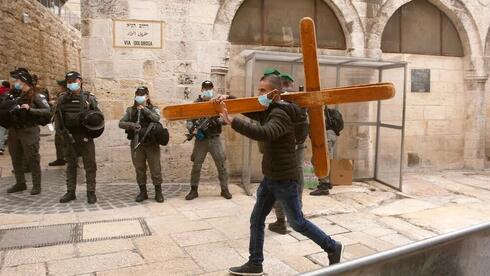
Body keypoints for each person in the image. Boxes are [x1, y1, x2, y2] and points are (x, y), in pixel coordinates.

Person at [218, 75, 343, 275]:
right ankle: (255, 263)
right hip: (271, 177)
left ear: (274, 93)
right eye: (258, 90)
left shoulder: (281, 114)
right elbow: (253, 112)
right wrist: (231, 99)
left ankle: (332, 246)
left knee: (297, 222)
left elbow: (265, 133)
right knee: (257, 219)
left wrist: (233, 122)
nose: (258, 94)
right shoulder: (271, 109)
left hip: (284, 179)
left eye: (261, 90)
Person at [268, 72, 308, 235]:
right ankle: (297, 215)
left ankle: (281, 221)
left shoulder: (278, 103)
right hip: (298, 147)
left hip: (283, 150)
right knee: (297, 180)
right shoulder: (298, 101)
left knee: (278, 183)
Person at [56, 71, 101, 204]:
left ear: (80, 81)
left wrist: (92, 132)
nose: (71, 84)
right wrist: (63, 136)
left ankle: (91, 193)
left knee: (90, 165)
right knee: (71, 165)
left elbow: (99, 117)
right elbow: (58, 120)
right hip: (70, 137)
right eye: (69, 82)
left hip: (85, 137)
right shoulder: (62, 99)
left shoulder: (89, 98)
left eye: (74, 81)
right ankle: (70, 192)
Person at [184, 80, 232, 200]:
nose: (207, 90)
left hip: (215, 139)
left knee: (221, 164)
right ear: (201, 89)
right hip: (201, 140)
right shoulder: (195, 104)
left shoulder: (218, 102)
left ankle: (225, 189)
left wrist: (217, 121)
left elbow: (226, 119)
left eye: (209, 88)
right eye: (205, 88)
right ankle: (193, 190)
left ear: (213, 89)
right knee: (196, 166)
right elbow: (189, 120)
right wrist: (192, 128)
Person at [6, 70, 51, 195]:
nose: (15, 83)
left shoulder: (36, 95)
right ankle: (20, 183)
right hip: (14, 130)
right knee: (15, 157)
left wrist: (30, 109)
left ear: (24, 81)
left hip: (29, 130)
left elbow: (47, 111)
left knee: (32, 158)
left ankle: (36, 185)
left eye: (17, 81)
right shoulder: (16, 94)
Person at [119, 86, 164, 203]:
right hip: (137, 143)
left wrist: (145, 110)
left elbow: (156, 118)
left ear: (147, 96)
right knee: (139, 168)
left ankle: (158, 192)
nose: (140, 96)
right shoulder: (130, 110)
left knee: (155, 169)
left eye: (142, 94)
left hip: (151, 144)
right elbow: (121, 123)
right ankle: (143, 192)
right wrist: (132, 125)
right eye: (138, 94)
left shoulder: (153, 108)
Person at [310, 107, 342, 196]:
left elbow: (319, 124)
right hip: (329, 135)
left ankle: (323, 187)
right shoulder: (322, 109)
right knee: (323, 160)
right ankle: (326, 183)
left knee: (321, 160)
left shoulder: (319, 110)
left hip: (327, 135)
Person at [48, 79, 67, 166]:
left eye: (60, 86)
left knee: (59, 141)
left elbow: (56, 108)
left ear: (63, 87)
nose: (58, 87)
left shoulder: (62, 96)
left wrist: (52, 104)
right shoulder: (67, 95)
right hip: (63, 123)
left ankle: (61, 159)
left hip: (60, 123)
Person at [0, 81, 10, 155]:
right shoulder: (10, 93)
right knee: (4, 131)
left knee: (2, 131)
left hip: (2, 114)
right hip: (7, 114)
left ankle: (1, 147)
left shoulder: (2, 91)